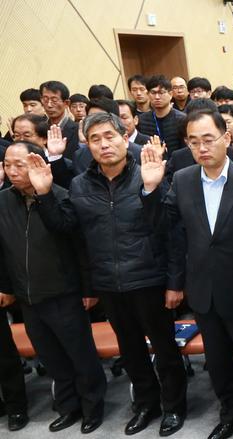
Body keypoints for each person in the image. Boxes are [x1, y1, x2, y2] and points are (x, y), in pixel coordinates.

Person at [29, 112, 188, 436]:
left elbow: (170, 232)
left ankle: (174, 406)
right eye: (95, 139)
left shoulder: (148, 173)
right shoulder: (80, 184)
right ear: (87, 144)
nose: (104, 144)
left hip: (149, 279)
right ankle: (146, 404)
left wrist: (175, 282)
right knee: (130, 351)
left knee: (165, 350)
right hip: (108, 284)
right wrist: (45, 194)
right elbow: (65, 228)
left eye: (109, 136)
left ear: (124, 137)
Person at [139, 109, 233, 439]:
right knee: (218, 362)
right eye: (193, 142)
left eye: (208, 139)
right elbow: (165, 229)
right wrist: (151, 189)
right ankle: (232, 413)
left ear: (226, 138)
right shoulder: (182, 179)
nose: (201, 148)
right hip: (203, 287)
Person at [0, 140, 107, 433]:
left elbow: (77, 244)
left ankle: (92, 407)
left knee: (80, 355)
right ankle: (69, 407)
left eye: (19, 165)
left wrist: (89, 289)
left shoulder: (60, 196)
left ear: (38, 165)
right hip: (27, 297)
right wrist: (7, 287)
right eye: (7, 165)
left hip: (63, 293)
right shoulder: (3, 201)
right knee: (51, 358)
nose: (12, 171)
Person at [136, 75, 187, 154]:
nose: (157, 97)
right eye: (153, 93)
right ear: (148, 94)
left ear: (170, 94)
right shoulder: (142, 120)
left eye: (161, 93)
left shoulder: (182, 119)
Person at [39, 80, 80, 161]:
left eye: (54, 100)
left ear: (66, 103)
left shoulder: (78, 130)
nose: (49, 105)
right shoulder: (38, 127)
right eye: (45, 99)